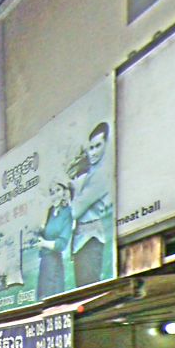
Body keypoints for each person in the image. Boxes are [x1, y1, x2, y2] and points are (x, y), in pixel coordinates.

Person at [69, 122, 112, 287]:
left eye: (97, 146)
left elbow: (75, 210)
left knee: (88, 290)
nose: (93, 152)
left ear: (106, 143)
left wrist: (74, 186)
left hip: (90, 239)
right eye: (91, 148)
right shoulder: (90, 173)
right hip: (81, 241)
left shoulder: (99, 176)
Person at [36, 181, 73, 300]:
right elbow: (41, 233)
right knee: (41, 300)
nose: (55, 195)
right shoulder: (49, 212)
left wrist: (44, 243)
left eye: (58, 190)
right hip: (44, 263)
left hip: (54, 263)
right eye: (52, 192)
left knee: (54, 300)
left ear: (64, 192)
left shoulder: (67, 213)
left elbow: (61, 244)